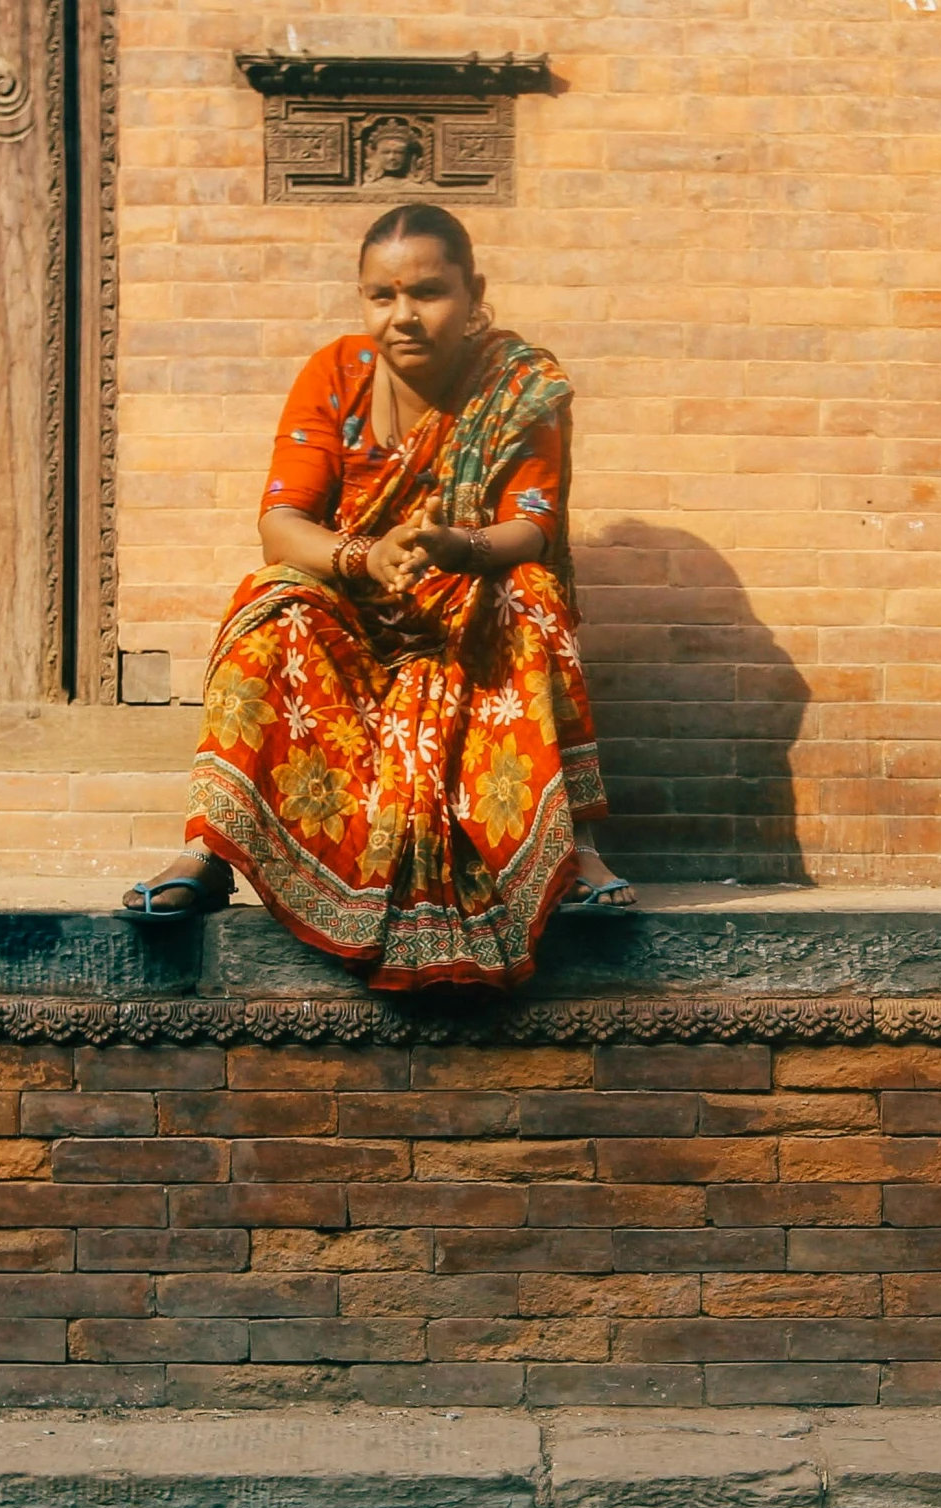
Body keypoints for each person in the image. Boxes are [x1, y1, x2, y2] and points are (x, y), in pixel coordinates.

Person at [119, 203, 633, 990]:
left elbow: (530, 529)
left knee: (530, 594)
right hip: (358, 619)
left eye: (428, 292)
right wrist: (367, 556)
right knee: (272, 599)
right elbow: (282, 524)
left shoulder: (519, 386)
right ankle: (210, 849)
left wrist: (453, 549)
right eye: (381, 297)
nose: (404, 316)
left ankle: (578, 850)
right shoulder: (336, 374)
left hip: (470, 613)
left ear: (473, 293)